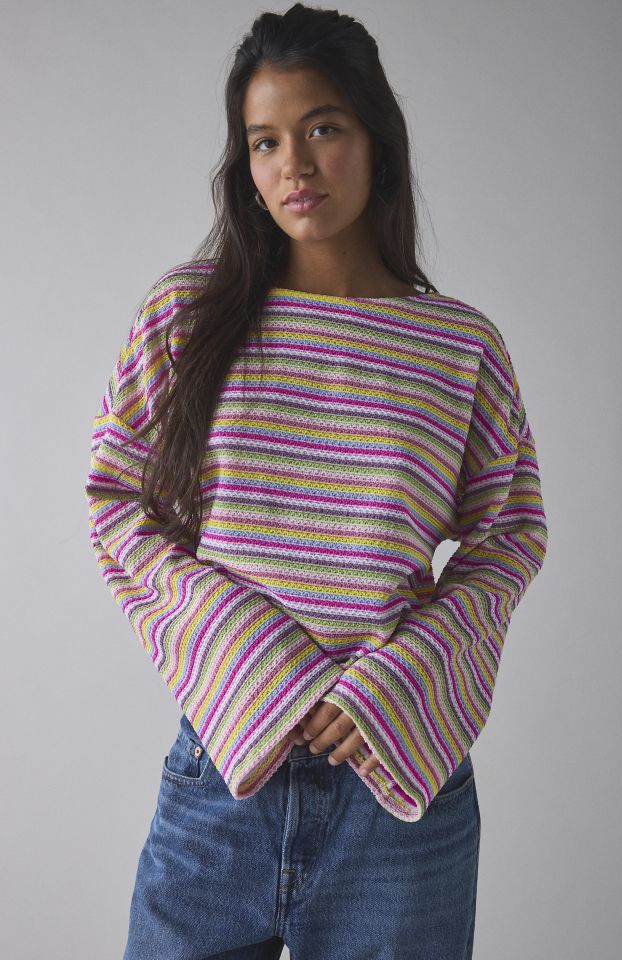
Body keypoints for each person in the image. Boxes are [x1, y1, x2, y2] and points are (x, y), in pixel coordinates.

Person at [85, 4, 548, 958]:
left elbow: (510, 536)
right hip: (223, 776)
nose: (293, 164)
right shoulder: (187, 316)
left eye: (323, 128)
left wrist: (394, 681)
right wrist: (255, 661)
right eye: (265, 141)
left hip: (400, 787)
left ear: (377, 138)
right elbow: (118, 505)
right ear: (245, 165)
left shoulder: (458, 347)